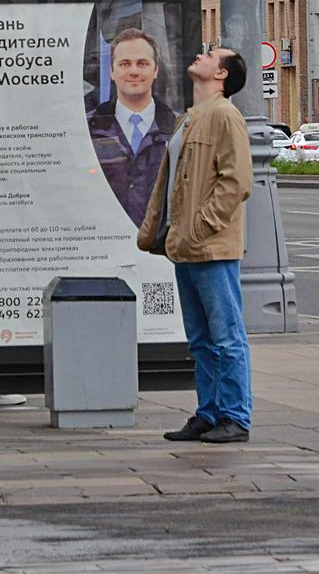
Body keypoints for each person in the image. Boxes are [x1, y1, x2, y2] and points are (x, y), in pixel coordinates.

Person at [137, 47, 252, 445]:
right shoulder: (190, 117)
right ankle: (208, 413)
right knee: (201, 339)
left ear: (221, 74)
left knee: (226, 336)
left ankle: (235, 417)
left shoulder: (225, 116)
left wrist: (199, 228)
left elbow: (236, 182)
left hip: (210, 248)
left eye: (212, 55)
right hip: (183, 246)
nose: (202, 55)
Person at [88, 27, 179, 226]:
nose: (134, 71)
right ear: (112, 71)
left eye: (142, 63)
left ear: (156, 70)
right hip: (106, 241)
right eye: (125, 64)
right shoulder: (87, 130)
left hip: (163, 247)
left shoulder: (181, 129)